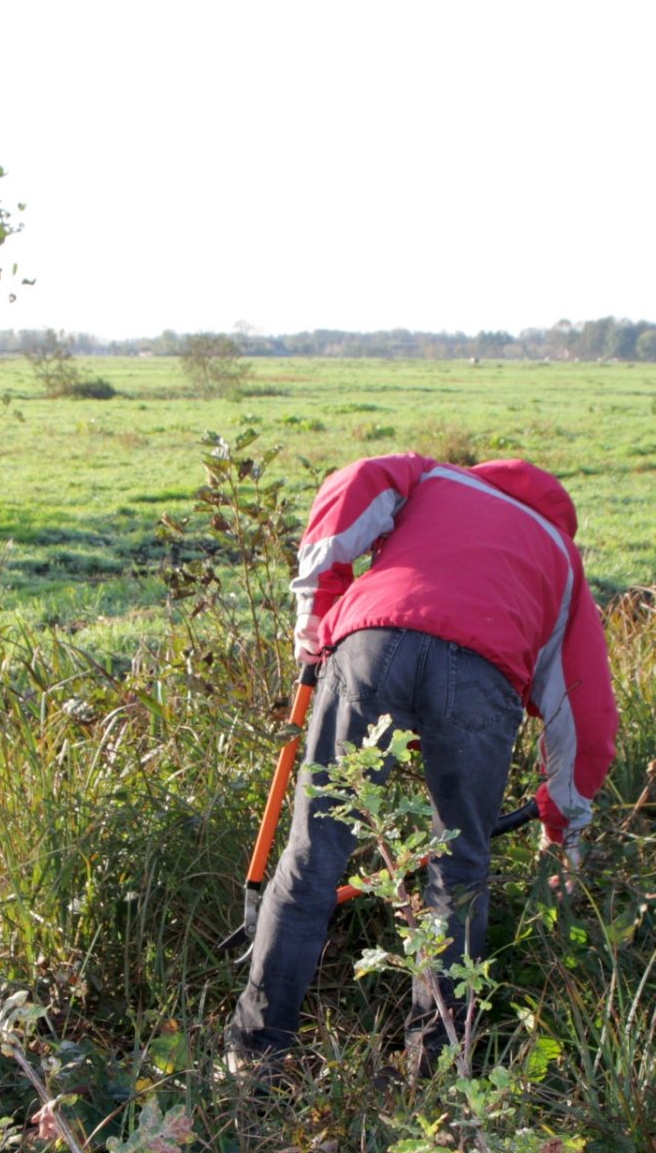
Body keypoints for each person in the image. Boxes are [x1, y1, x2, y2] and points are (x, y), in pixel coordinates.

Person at [224, 452, 619, 1077]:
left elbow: (352, 484)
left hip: (372, 643)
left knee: (313, 855)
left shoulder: (432, 477)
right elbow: (585, 710)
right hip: (482, 677)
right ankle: (432, 1069)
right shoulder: (561, 559)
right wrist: (561, 825)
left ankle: (254, 1058)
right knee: (458, 874)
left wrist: (318, 608)